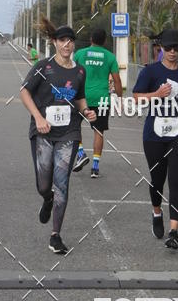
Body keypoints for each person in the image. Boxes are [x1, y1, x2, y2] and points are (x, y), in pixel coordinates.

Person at [20, 18, 96, 255]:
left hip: (69, 133)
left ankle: (56, 235)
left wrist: (86, 111)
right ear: (54, 42)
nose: (67, 45)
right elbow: (24, 92)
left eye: (70, 41)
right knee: (44, 185)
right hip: (43, 133)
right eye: (62, 40)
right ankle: (47, 199)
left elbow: (79, 97)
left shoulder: (80, 71)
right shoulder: (43, 67)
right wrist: (39, 118)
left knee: (62, 183)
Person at [132, 28, 178, 250]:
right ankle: (156, 211)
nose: (172, 52)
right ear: (160, 48)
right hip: (154, 134)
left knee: (176, 181)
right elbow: (136, 99)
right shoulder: (150, 72)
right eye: (168, 48)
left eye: (177, 48)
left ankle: (173, 231)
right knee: (157, 179)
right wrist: (155, 95)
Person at [73, 27, 122, 178]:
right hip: (101, 99)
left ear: (91, 40)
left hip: (81, 97)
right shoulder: (110, 57)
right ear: (104, 41)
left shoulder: (80, 54)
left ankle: (81, 153)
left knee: (74, 127)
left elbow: (71, 72)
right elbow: (117, 79)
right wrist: (119, 97)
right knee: (99, 131)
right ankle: (95, 167)